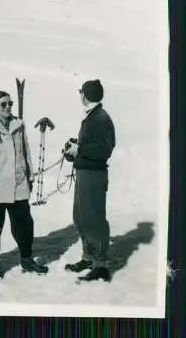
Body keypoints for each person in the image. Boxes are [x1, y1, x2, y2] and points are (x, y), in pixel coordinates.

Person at [0, 90, 49, 278]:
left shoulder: (18, 125)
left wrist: (30, 177)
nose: (8, 107)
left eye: (10, 104)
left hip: (19, 184)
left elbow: (25, 152)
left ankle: (27, 259)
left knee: (24, 225)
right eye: (3, 104)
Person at [63, 79, 116, 282]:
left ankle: (100, 265)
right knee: (80, 216)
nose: (80, 96)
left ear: (84, 95)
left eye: (81, 93)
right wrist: (73, 150)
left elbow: (104, 150)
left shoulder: (100, 118)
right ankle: (89, 257)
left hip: (93, 175)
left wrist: (80, 149)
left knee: (93, 219)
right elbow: (92, 146)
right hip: (85, 173)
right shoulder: (93, 116)